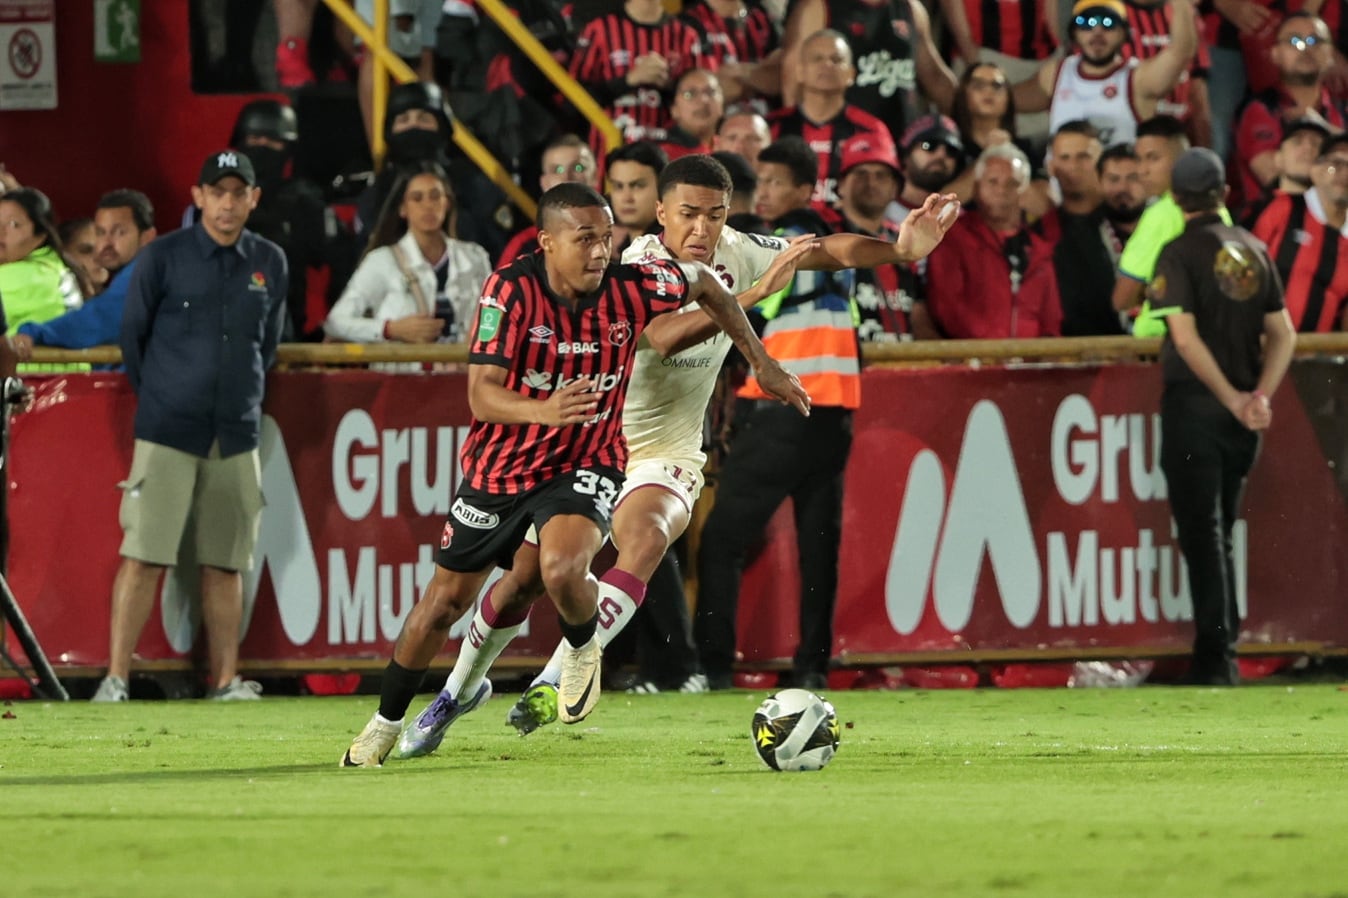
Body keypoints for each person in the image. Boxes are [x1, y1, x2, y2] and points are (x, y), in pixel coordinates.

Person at [391, 155, 959, 753]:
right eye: (687, 214)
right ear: (661, 213)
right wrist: (756, 294)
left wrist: (899, 251)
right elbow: (659, 337)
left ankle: (558, 678)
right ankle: (458, 690)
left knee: (648, 537)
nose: (702, 229)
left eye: (715, 215)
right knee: (521, 587)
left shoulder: (736, 248)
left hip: (669, 452)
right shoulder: (632, 264)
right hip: (591, 449)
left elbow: (823, 249)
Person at [341, 181, 812, 767]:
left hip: (587, 459)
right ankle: (388, 723)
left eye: (607, 239)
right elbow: (483, 397)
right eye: (585, 239)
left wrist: (760, 360)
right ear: (546, 243)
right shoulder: (509, 290)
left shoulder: (631, 288)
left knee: (566, 566)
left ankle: (583, 651)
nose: (600, 252)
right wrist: (544, 410)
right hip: (504, 464)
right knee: (446, 602)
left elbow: (707, 284)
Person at [90, 152, 288, 703]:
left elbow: (265, 346)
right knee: (144, 555)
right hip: (167, 429)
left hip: (235, 432)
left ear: (253, 198)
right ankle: (115, 679)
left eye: (238, 192)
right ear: (199, 197)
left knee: (226, 563)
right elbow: (134, 341)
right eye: (216, 191)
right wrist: (168, 393)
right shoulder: (161, 257)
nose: (227, 203)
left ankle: (226, 681)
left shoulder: (270, 261)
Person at [1150, 147, 1296, 685]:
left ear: (1174, 197)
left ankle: (1217, 655)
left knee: (1201, 531)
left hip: (1195, 408)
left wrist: (1232, 398)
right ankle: (1223, 644)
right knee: (1222, 531)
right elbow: (1284, 334)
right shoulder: (1254, 249)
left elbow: (1183, 339)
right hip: (1240, 419)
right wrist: (1259, 395)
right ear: (1223, 195)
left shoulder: (1177, 254)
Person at [324, 162, 491, 347]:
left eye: (435, 196)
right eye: (417, 198)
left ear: (447, 203)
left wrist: (480, 339)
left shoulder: (475, 258)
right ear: (403, 208)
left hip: (463, 373)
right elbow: (336, 322)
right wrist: (390, 329)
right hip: (404, 373)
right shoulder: (382, 261)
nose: (428, 205)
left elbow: (493, 317)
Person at [923, 143, 1063, 338]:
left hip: (1030, 362)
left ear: (1023, 191)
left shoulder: (1040, 249)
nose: (1001, 190)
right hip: (972, 357)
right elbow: (947, 306)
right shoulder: (953, 237)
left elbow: (1051, 320)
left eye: (1012, 183)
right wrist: (994, 350)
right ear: (976, 187)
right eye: (992, 181)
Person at [1015, 0, 1197, 149]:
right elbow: (1005, 99)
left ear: (1124, 34)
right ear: (1074, 33)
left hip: (1119, 190)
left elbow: (1180, 52)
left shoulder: (1137, 80)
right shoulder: (1056, 74)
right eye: (1086, 23)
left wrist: (1180, 3)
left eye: (1108, 23)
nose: (1097, 32)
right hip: (1064, 190)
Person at [780, 0, 957, 149]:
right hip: (841, 144)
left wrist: (967, 123)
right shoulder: (820, 7)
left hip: (900, 145)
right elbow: (793, 79)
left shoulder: (911, 9)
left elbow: (935, 77)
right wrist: (797, 144)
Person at [9, 190, 157, 358]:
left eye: (119, 232)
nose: (106, 243)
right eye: (101, 232)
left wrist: (33, 333)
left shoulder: (146, 273)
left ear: (147, 237)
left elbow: (99, 319)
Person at [1248, 135, 1348, 333]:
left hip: (1320, 358)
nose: (1344, 174)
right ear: (1315, 170)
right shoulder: (1281, 208)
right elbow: (1244, 273)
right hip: (1260, 349)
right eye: (1335, 164)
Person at [1054, 142, 1145, 335]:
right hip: (1102, 349)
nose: (1123, 188)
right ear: (1099, 182)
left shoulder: (1165, 229)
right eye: (1113, 179)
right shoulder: (1075, 239)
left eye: (1132, 178)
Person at [497, 135, 600, 265]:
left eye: (578, 168)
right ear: (544, 183)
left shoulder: (616, 239)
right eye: (557, 170)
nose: (566, 177)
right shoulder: (524, 246)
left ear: (595, 176)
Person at [0, 188, 84, 330]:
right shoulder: (50, 266)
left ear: (40, 235)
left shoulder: (33, 276)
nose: (1, 231)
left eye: (14, 225)